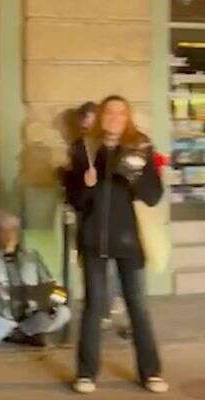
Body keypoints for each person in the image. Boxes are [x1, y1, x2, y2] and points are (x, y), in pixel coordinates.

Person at [67, 95, 168, 394]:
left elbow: (153, 196)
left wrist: (136, 176)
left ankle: (151, 373)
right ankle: (86, 374)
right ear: (101, 116)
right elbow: (74, 199)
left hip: (128, 240)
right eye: (109, 112)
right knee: (94, 307)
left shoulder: (139, 148)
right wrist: (85, 186)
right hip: (93, 239)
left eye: (121, 113)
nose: (114, 117)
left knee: (138, 307)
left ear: (128, 118)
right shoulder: (85, 148)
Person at [0, 212, 71, 347]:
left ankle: (15, 333)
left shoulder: (32, 256)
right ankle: (23, 334)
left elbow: (50, 286)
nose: (9, 235)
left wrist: (46, 301)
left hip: (30, 313)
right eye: (3, 231)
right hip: (3, 316)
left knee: (64, 312)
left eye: (13, 230)